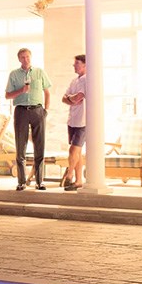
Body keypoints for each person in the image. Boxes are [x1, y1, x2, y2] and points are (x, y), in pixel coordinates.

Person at [5, 48, 52, 191]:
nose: (26, 59)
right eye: (23, 57)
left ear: (31, 57)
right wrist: (21, 91)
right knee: (21, 147)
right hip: (21, 111)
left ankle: (39, 181)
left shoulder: (39, 72)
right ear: (19, 59)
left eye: (27, 57)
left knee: (40, 145)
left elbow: (47, 92)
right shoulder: (14, 74)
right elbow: (7, 95)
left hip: (38, 110)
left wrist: (46, 110)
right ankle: (21, 182)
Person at [61, 54, 87, 191]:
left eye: (77, 63)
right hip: (72, 120)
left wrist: (70, 99)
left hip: (83, 121)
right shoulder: (74, 81)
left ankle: (69, 175)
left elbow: (78, 98)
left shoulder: (87, 80)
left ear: (85, 65)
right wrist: (71, 98)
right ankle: (78, 181)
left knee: (73, 150)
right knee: (78, 152)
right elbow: (64, 98)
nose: (74, 65)